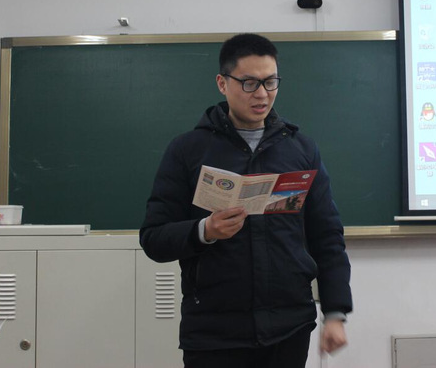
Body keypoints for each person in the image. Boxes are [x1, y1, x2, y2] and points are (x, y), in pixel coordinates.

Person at [140, 33, 352, 368]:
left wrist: (336, 312)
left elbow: (327, 236)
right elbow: (154, 238)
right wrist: (204, 230)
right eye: (249, 83)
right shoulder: (187, 150)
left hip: (289, 328)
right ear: (222, 83)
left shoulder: (300, 150)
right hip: (214, 333)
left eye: (271, 82)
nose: (263, 94)